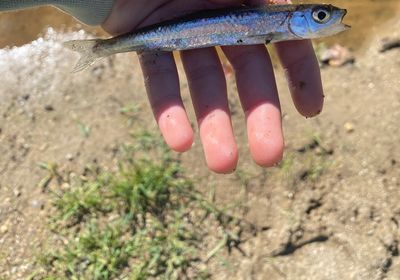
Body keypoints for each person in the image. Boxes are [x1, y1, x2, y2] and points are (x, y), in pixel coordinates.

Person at [0, 0, 324, 173]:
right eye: (320, 16)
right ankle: (102, 48)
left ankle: (104, 48)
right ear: (295, 18)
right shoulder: (278, 18)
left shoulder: (280, 20)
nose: (325, 20)